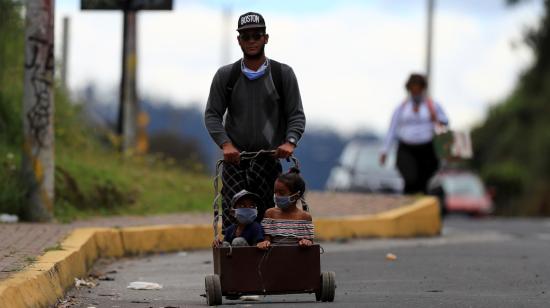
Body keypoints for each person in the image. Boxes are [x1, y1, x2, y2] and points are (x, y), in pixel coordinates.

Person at [204, 12, 306, 232]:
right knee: (234, 219)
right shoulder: (226, 76)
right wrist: (226, 144)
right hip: (235, 161)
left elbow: (296, 114)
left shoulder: (282, 74)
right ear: (239, 40)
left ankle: (270, 263)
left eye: (256, 35)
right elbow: (212, 114)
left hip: (269, 160)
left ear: (265, 38)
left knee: (270, 219)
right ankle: (235, 259)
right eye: (246, 36)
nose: (251, 41)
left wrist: (290, 142)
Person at [379, 73, 449, 194]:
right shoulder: (402, 107)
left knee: (424, 180)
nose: (415, 91)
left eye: (418, 88)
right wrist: (385, 150)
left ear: (423, 89)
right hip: (407, 148)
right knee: (410, 178)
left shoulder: (432, 105)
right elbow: (392, 129)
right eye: (413, 88)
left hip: (427, 148)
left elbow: (445, 121)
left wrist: (436, 119)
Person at [257, 168, 314, 249]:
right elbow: (267, 239)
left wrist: (306, 242)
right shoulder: (270, 213)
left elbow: (310, 243)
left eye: (282, 193)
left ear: (296, 196)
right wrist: (264, 243)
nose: (277, 196)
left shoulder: (305, 217)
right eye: (275, 192)